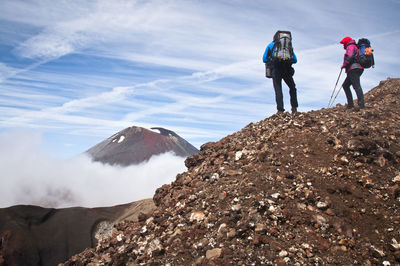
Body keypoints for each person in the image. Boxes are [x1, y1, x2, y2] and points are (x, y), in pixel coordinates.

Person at [263, 31, 298, 114]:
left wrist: (272, 60)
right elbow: (295, 60)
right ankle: (294, 108)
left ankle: (280, 110)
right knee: (292, 87)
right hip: (287, 70)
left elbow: (264, 59)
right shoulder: (288, 46)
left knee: (278, 89)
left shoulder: (271, 45)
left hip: (276, 69)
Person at [340, 36, 365, 109]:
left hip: (353, 69)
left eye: (343, 43)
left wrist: (344, 65)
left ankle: (360, 105)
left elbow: (350, 56)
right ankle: (351, 104)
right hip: (356, 68)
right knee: (346, 85)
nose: (343, 45)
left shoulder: (350, 46)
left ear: (346, 42)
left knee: (356, 86)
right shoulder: (353, 46)